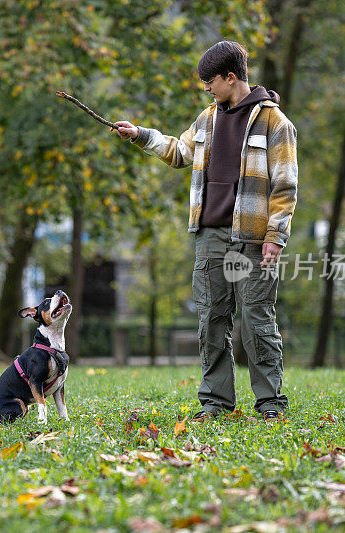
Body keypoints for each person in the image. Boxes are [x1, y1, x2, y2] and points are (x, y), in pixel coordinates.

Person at [113, 41, 297, 421]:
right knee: (211, 321)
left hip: (253, 241)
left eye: (210, 81)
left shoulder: (276, 124)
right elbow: (179, 151)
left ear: (231, 78)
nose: (206, 88)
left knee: (258, 322)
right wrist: (140, 135)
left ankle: (270, 405)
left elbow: (285, 186)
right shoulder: (207, 119)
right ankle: (215, 403)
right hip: (210, 236)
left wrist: (275, 238)